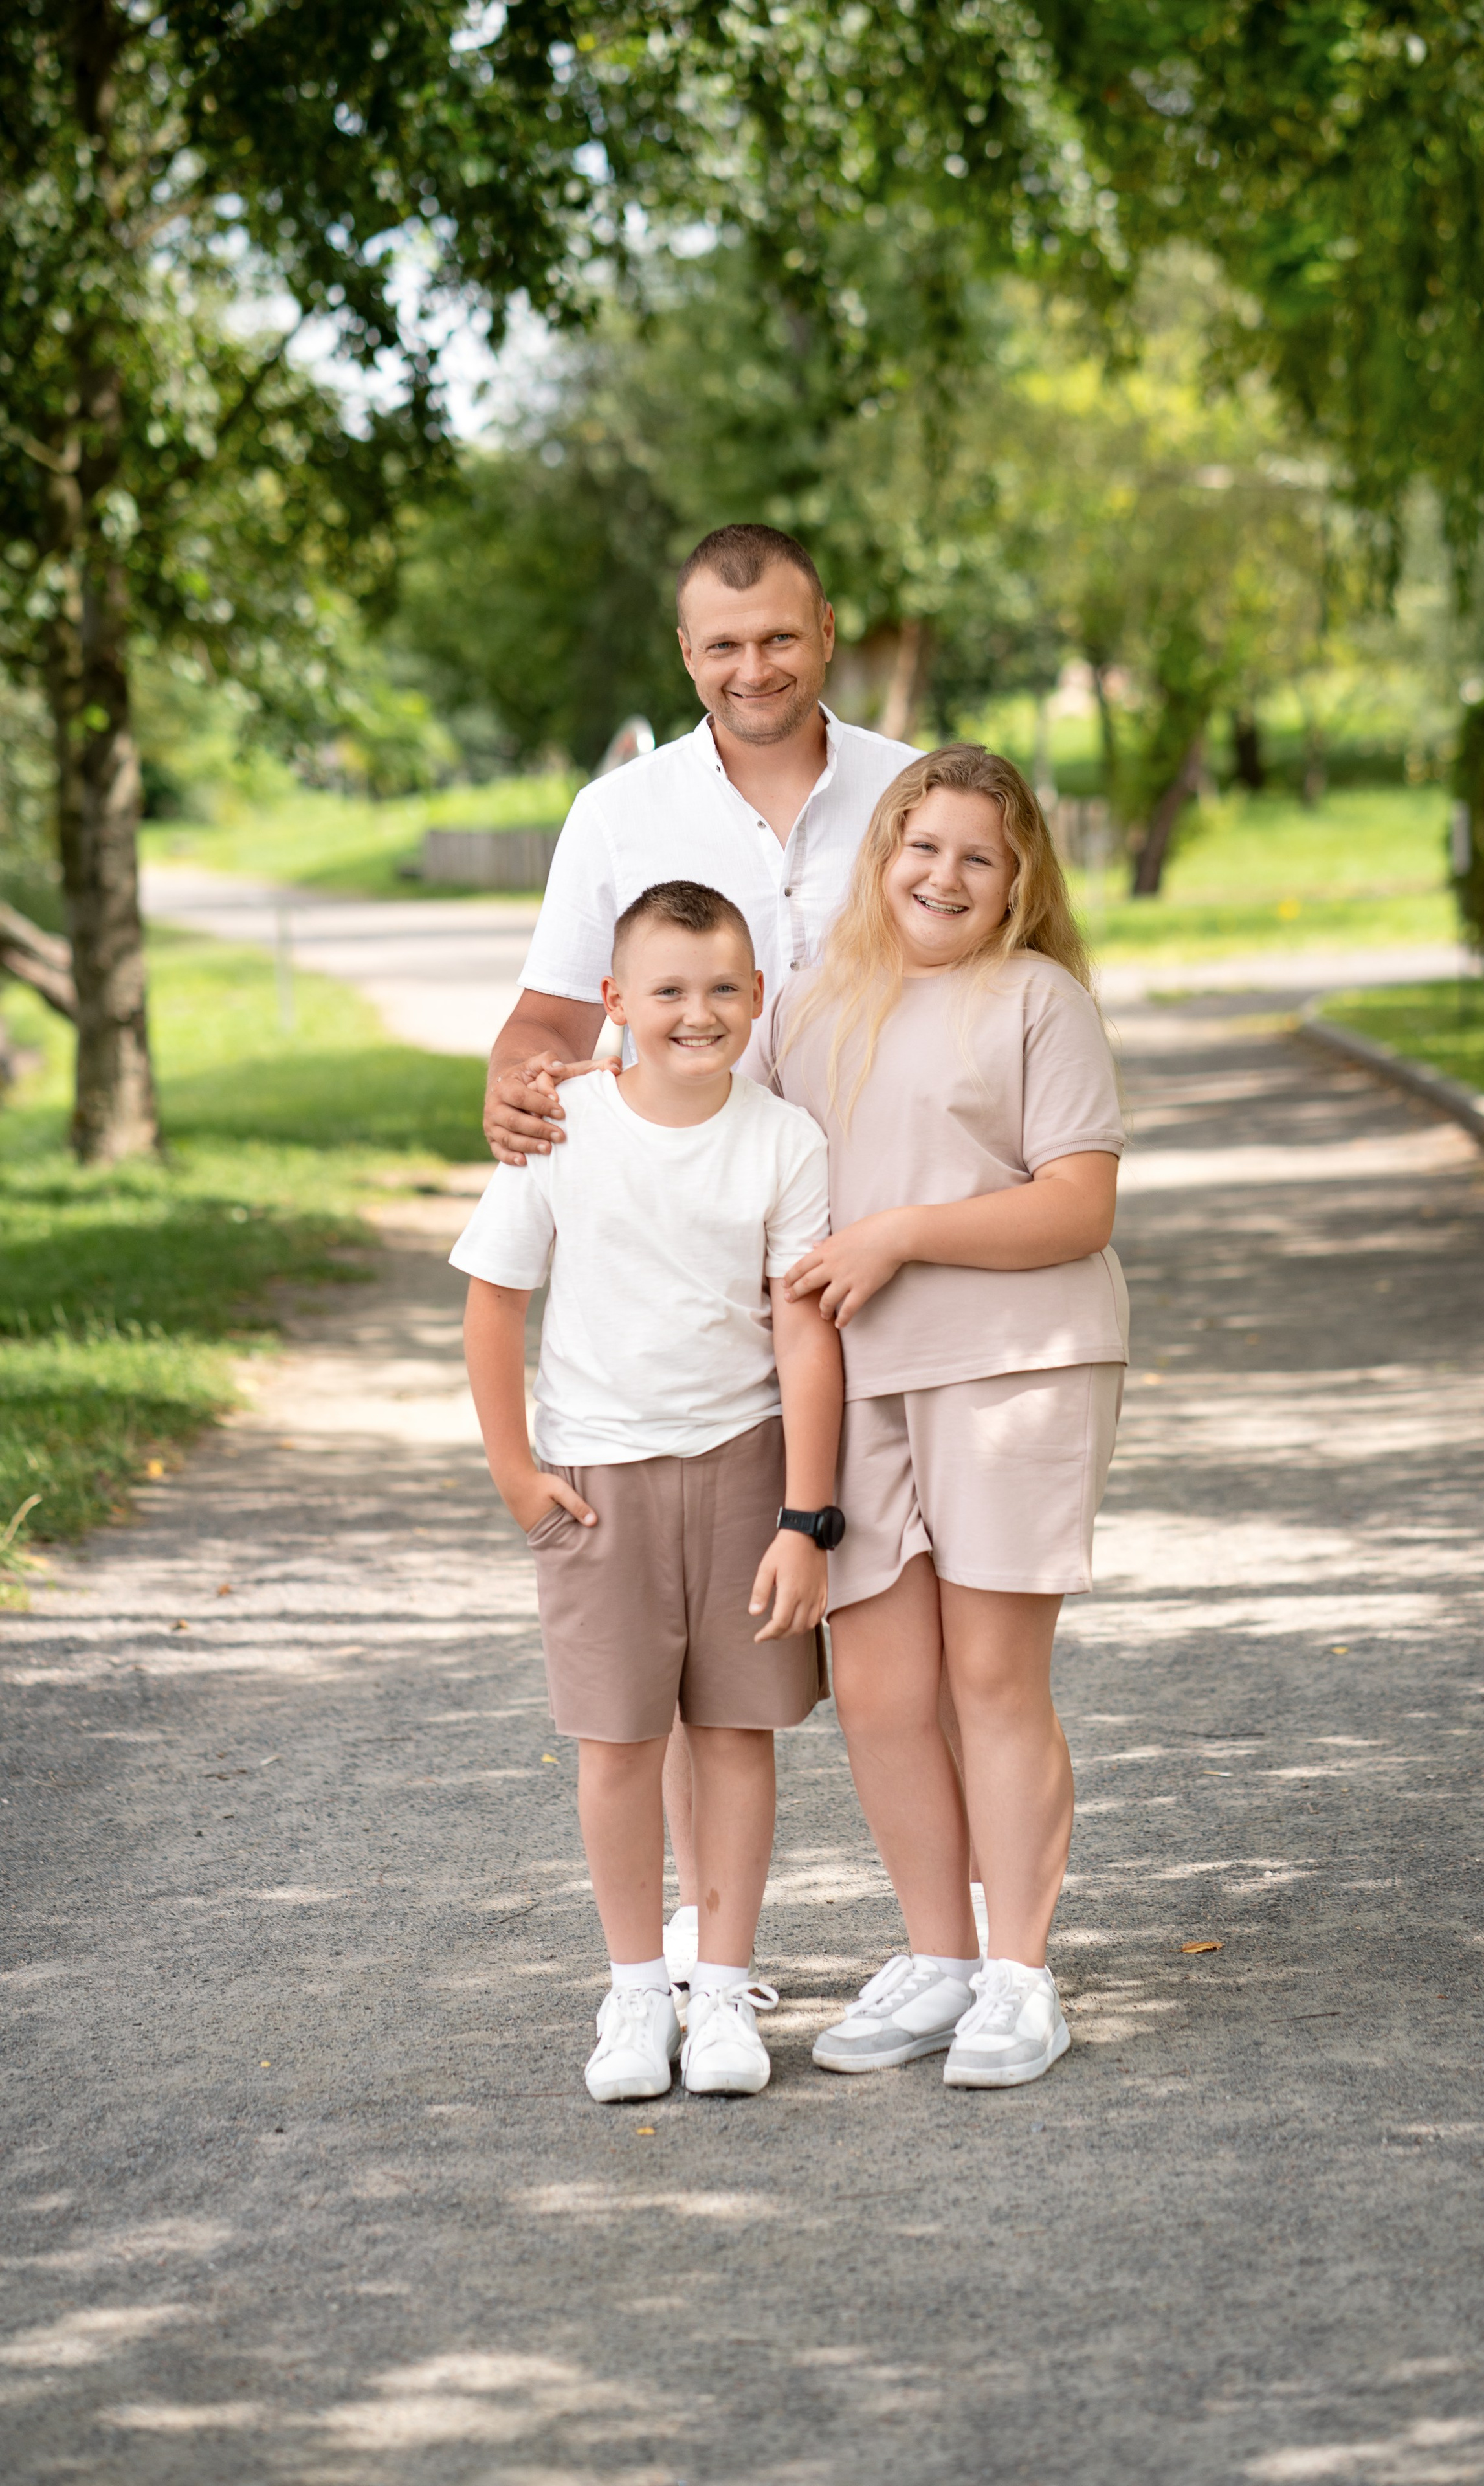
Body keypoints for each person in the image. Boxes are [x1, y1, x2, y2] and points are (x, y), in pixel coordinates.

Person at [481, 522, 921, 1989]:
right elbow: (551, 1020)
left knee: (882, 1618)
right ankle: (690, 1944)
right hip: (689, 1254)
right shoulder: (619, 811)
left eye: (779, 637)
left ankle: (952, 1944)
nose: (753, 668)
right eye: (723, 645)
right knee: (695, 1649)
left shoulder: (905, 790)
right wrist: (514, 1080)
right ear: (685, 655)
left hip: (885, 1232)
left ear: (826, 631)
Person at [765, 744, 1129, 2090]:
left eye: (979, 857)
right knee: (876, 1689)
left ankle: (1022, 1978)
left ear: (1017, 880)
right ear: (882, 854)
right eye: (922, 846)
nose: (944, 874)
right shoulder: (809, 1006)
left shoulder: (1038, 1002)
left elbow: (1076, 1205)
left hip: (1013, 1368)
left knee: (989, 1678)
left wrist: (904, 1233)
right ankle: (941, 1958)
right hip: (856, 1383)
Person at [452, 881, 845, 2101]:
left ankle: (721, 1991)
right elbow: (494, 1300)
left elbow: (803, 1334)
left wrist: (807, 1518)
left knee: (734, 1738)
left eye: (725, 989)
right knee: (618, 1747)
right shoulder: (563, 1127)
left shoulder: (785, 1140)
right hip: (596, 1486)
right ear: (613, 1003)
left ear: (759, 999)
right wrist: (518, 1473)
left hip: (745, 1472)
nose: (698, 1013)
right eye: (667, 991)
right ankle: (634, 1994)